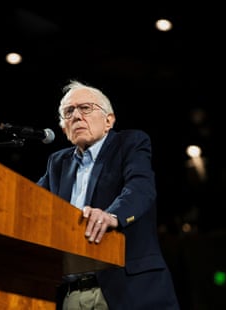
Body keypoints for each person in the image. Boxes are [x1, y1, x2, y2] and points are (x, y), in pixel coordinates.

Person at [37, 80, 180, 310]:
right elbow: (30, 201)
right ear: (64, 128)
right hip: (72, 293)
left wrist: (112, 216)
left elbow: (140, 188)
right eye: (69, 112)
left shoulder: (130, 144)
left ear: (108, 120)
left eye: (86, 108)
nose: (76, 116)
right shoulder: (57, 163)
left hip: (130, 289)